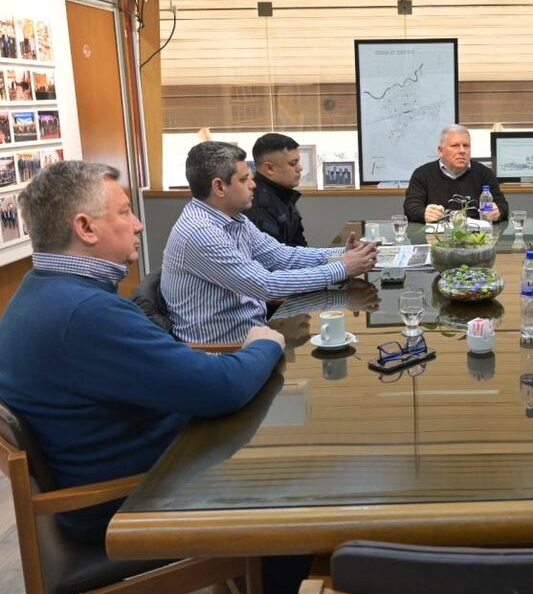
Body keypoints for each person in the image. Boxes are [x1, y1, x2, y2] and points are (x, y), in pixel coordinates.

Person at [0, 160, 286, 543]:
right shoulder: (85, 313)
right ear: (85, 228)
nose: (138, 225)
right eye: (124, 212)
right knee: (286, 494)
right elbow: (223, 389)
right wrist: (264, 343)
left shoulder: (37, 291)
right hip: (130, 504)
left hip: (132, 481)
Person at [162, 141, 377, 344]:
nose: (253, 184)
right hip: (223, 352)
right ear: (219, 187)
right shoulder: (201, 232)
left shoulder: (235, 219)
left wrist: (342, 255)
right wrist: (342, 267)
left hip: (255, 334)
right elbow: (266, 285)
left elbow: (282, 257)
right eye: (244, 179)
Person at [404, 124, 509, 223]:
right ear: (440, 151)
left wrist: (497, 212)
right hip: (436, 233)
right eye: (455, 146)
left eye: (466, 146)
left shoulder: (484, 173)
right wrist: (423, 213)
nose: (462, 151)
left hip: (475, 233)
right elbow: (410, 206)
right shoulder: (422, 174)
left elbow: (502, 206)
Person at [244, 132, 309, 246]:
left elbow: (300, 244)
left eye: (298, 161)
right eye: (293, 163)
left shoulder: (283, 194)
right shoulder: (256, 205)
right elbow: (274, 255)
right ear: (269, 168)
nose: (300, 168)